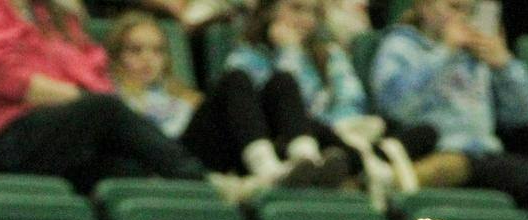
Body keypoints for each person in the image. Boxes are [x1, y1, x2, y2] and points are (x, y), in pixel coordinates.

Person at [0, 0, 259, 202]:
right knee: (103, 110)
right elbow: (5, 78)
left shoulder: (50, 16)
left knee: (130, 173)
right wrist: (79, 99)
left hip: (50, 141)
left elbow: (93, 70)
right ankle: (202, 182)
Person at [106, 9, 358, 192]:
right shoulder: (114, 95)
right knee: (234, 79)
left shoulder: (182, 94)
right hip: (173, 160)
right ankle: (268, 171)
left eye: (157, 50)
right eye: (135, 50)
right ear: (117, 55)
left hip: (215, 156)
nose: (148, 59)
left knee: (282, 81)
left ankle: (307, 159)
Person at [370, 0, 528, 206]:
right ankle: (390, 181)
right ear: (424, 7)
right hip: (430, 149)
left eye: (469, 11)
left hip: (486, 156)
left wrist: (505, 66)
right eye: (454, 8)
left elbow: (526, 116)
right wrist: (444, 52)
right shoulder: (401, 46)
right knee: (457, 165)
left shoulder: (479, 57)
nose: (462, 19)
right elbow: (395, 107)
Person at [220, 0, 447, 199]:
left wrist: (339, 131)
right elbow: (278, 108)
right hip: (287, 141)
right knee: (307, 117)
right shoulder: (248, 57)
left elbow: (352, 102)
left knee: (427, 132)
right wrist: (289, 53)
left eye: (313, 12)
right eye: (296, 8)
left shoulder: (329, 54)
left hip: (338, 134)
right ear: (269, 10)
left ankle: (359, 164)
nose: (305, 20)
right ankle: (361, 168)